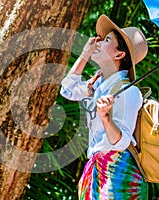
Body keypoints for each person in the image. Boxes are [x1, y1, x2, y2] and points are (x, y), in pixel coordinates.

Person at [60, 15, 148, 199]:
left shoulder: (128, 92)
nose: (98, 42)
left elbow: (122, 142)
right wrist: (84, 55)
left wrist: (106, 118)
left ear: (119, 54)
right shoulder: (98, 85)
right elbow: (67, 90)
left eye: (107, 40)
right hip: (96, 172)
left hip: (117, 176)